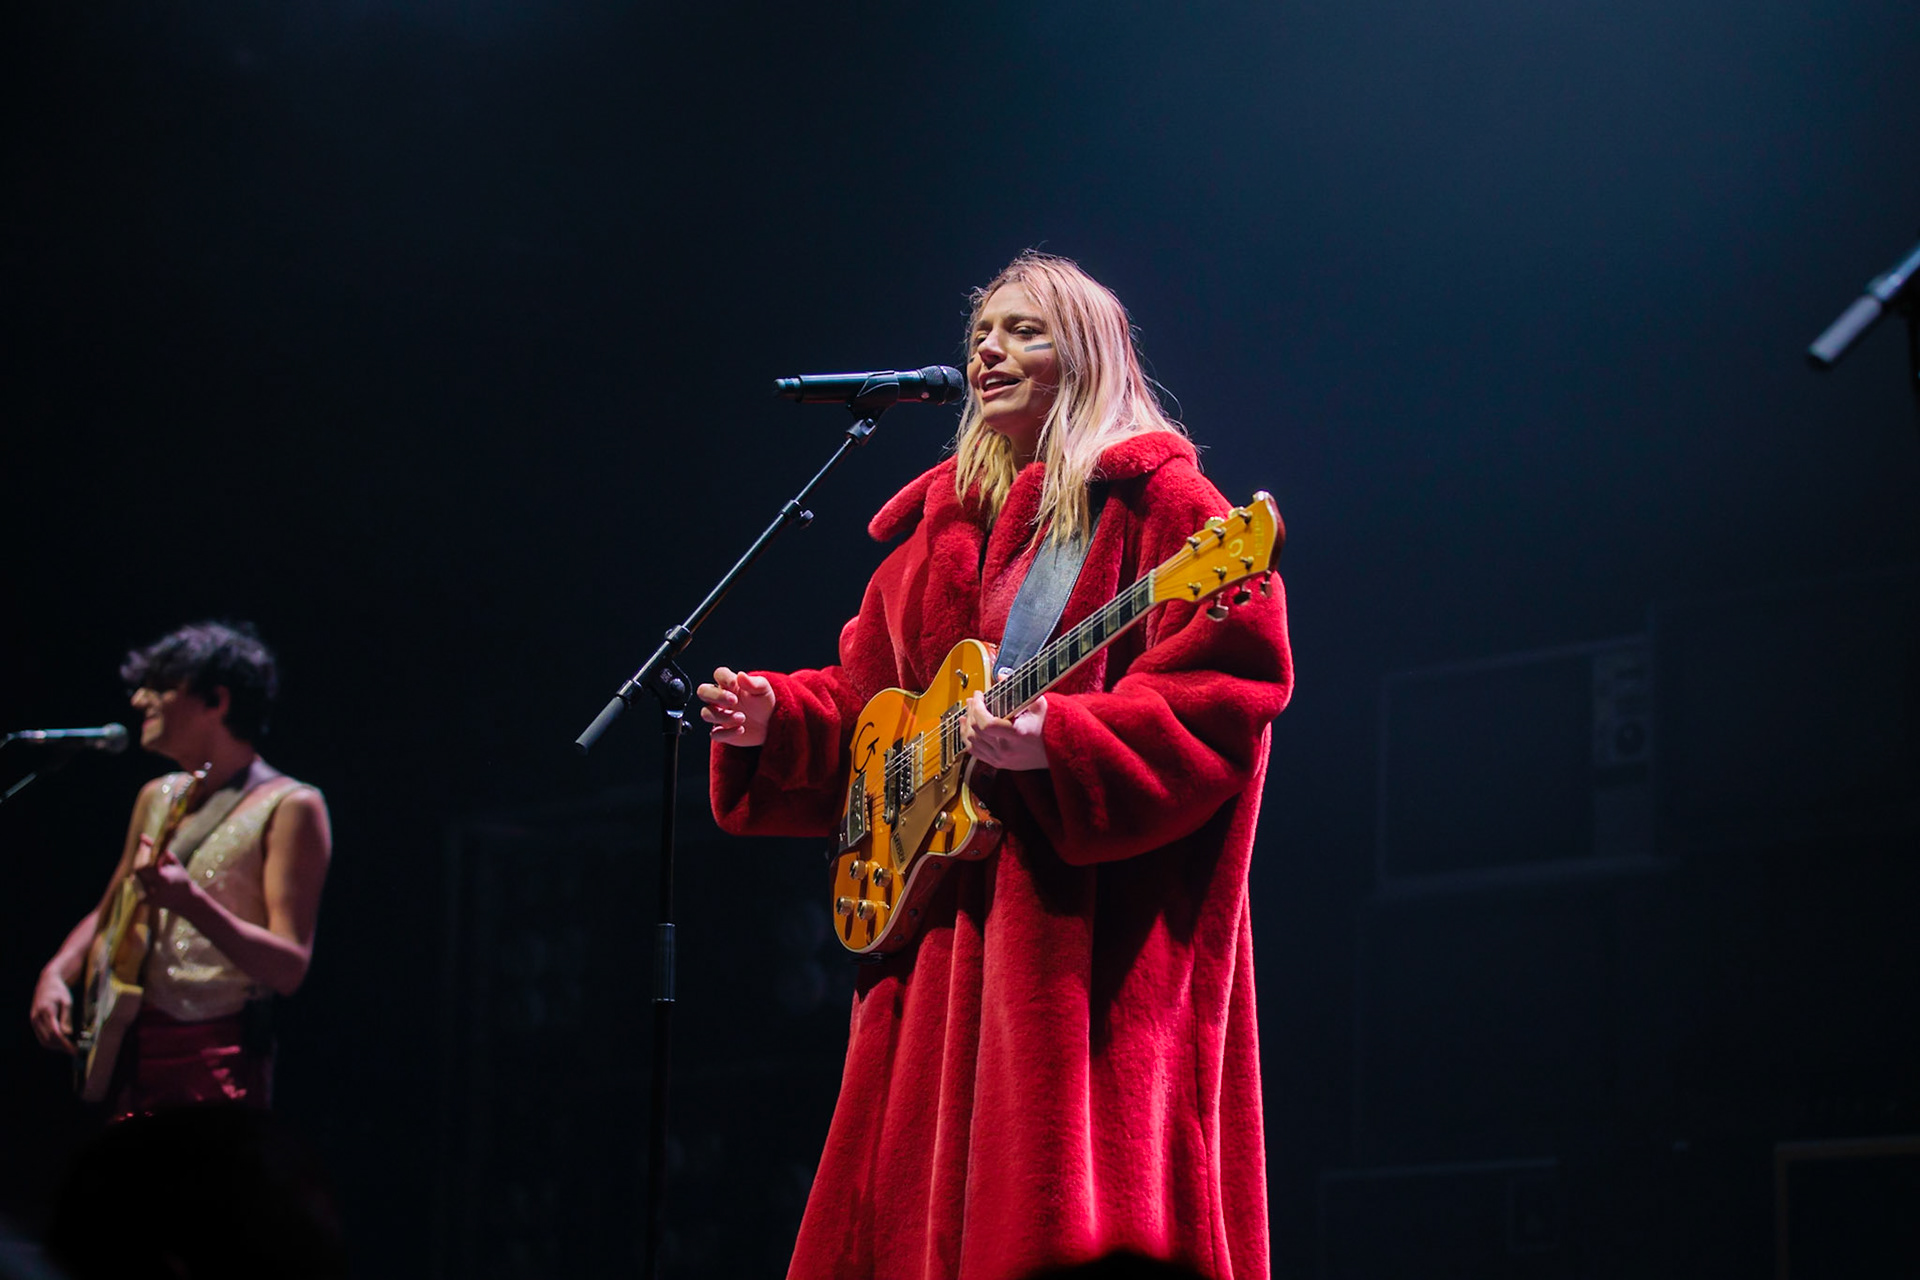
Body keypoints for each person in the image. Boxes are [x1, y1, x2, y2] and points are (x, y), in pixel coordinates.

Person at [697, 253, 1293, 1280]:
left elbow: (1221, 700)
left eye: (1025, 330)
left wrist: (1057, 740)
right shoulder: (934, 539)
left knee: (1051, 1204)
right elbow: (870, 710)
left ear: (1088, 354)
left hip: (1077, 951)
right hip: (934, 944)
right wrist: (776, 719)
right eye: (983, 331)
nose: (990, 349)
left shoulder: (1168, 513)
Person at [28, 621, 332, 1117]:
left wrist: (191, 903)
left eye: (162, 687)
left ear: (218, 700)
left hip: (213, 1057)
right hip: (129, 1045)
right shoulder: (157, 795)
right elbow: (112, 906)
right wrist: (56, 972)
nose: (140, 701)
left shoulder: (291, 806)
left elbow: (289, 968)